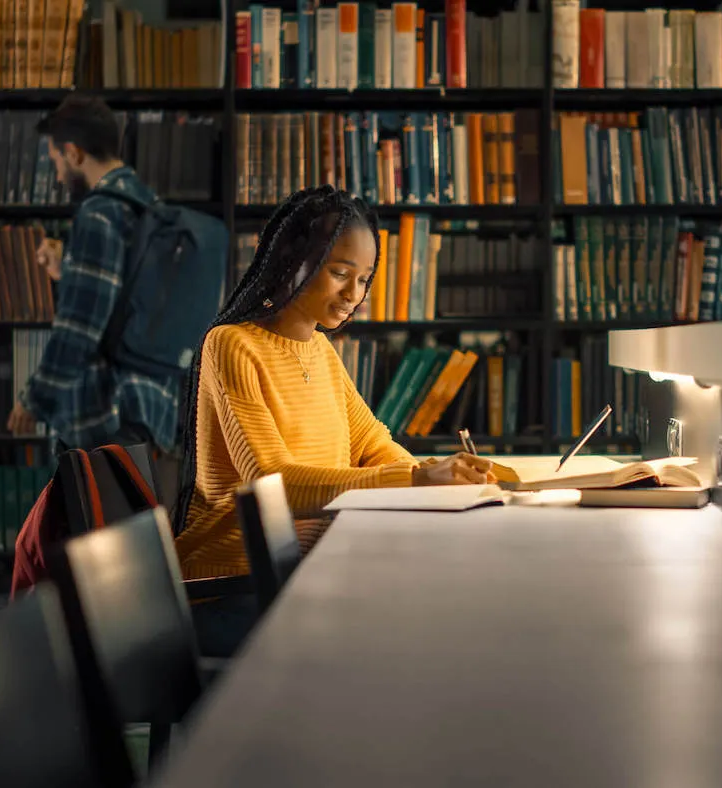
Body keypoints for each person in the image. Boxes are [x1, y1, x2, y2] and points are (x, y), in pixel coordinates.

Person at [172, 185, 493, 655]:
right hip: (233, 585)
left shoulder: (320, 351)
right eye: (340, 273)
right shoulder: (231, 345)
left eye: (363, 279)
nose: (353, 295)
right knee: (415, 629)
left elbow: (374, 446)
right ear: (291, 261)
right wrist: (416, 478)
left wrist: (439, 479)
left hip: (301, 573)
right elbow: (271, 482)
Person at [6, 94, 182, 456]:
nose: (57, 175)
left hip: (106, 415)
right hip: (154, 411)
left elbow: (79, 327)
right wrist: (68, 269)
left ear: (74, 153)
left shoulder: (99, 213)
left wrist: (32, 400)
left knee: (101, 514)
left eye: (56, 161)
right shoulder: (149, 207)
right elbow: (124, 302)